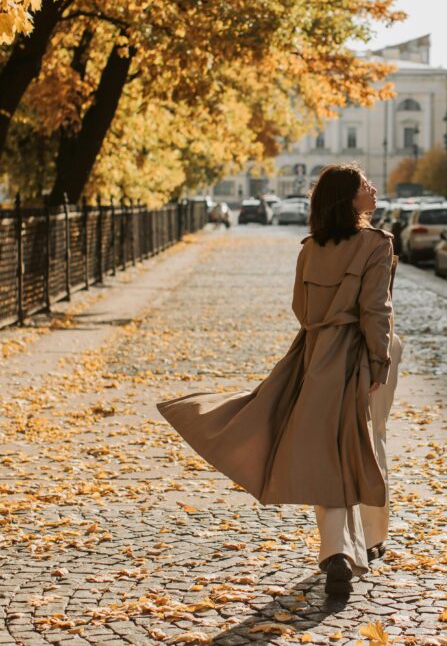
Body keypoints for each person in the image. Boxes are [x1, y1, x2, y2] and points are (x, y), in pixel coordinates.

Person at [157, 163, 402, 597]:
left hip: (314, 355)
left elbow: (302, 310)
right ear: (349, 198)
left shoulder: (310, 248)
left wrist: (324, 333)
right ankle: (365, 538)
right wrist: (379, 363)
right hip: (362, 356)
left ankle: (340, 551)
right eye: (366, 186)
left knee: (327, 450)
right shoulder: (375, 244)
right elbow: (376, 310)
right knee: (368, 439)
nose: (374, 190)